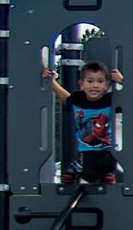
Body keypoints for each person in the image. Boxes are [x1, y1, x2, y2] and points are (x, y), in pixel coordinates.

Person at [48, 58, 125, 187]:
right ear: (81, 84)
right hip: (86, 147)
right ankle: (75, 168)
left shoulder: (109, 100)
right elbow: (66, 99)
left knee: (108, 164)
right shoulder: (79, 99)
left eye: (100, 81)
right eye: (90, 81)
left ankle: (107, 174)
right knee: (90, 176)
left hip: (107, 146)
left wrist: (122, 80)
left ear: (106, 85)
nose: (95, 85)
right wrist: (52, 82)